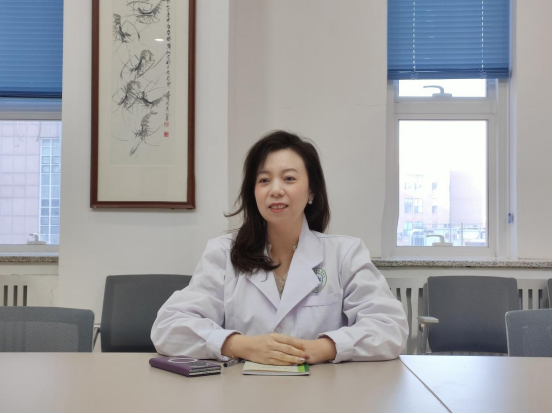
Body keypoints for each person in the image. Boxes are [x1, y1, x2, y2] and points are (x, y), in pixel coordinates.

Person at [151, 131, 408, 365]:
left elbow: (390, 328)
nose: (275, 190)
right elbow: (168, 328)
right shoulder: (223, 253)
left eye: (289, 178)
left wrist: (323, 348)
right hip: (242, 391)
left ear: (311, 191)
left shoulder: (345, 254)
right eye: (264, 180)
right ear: (253, 192)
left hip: (321, 391)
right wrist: (241, 345)